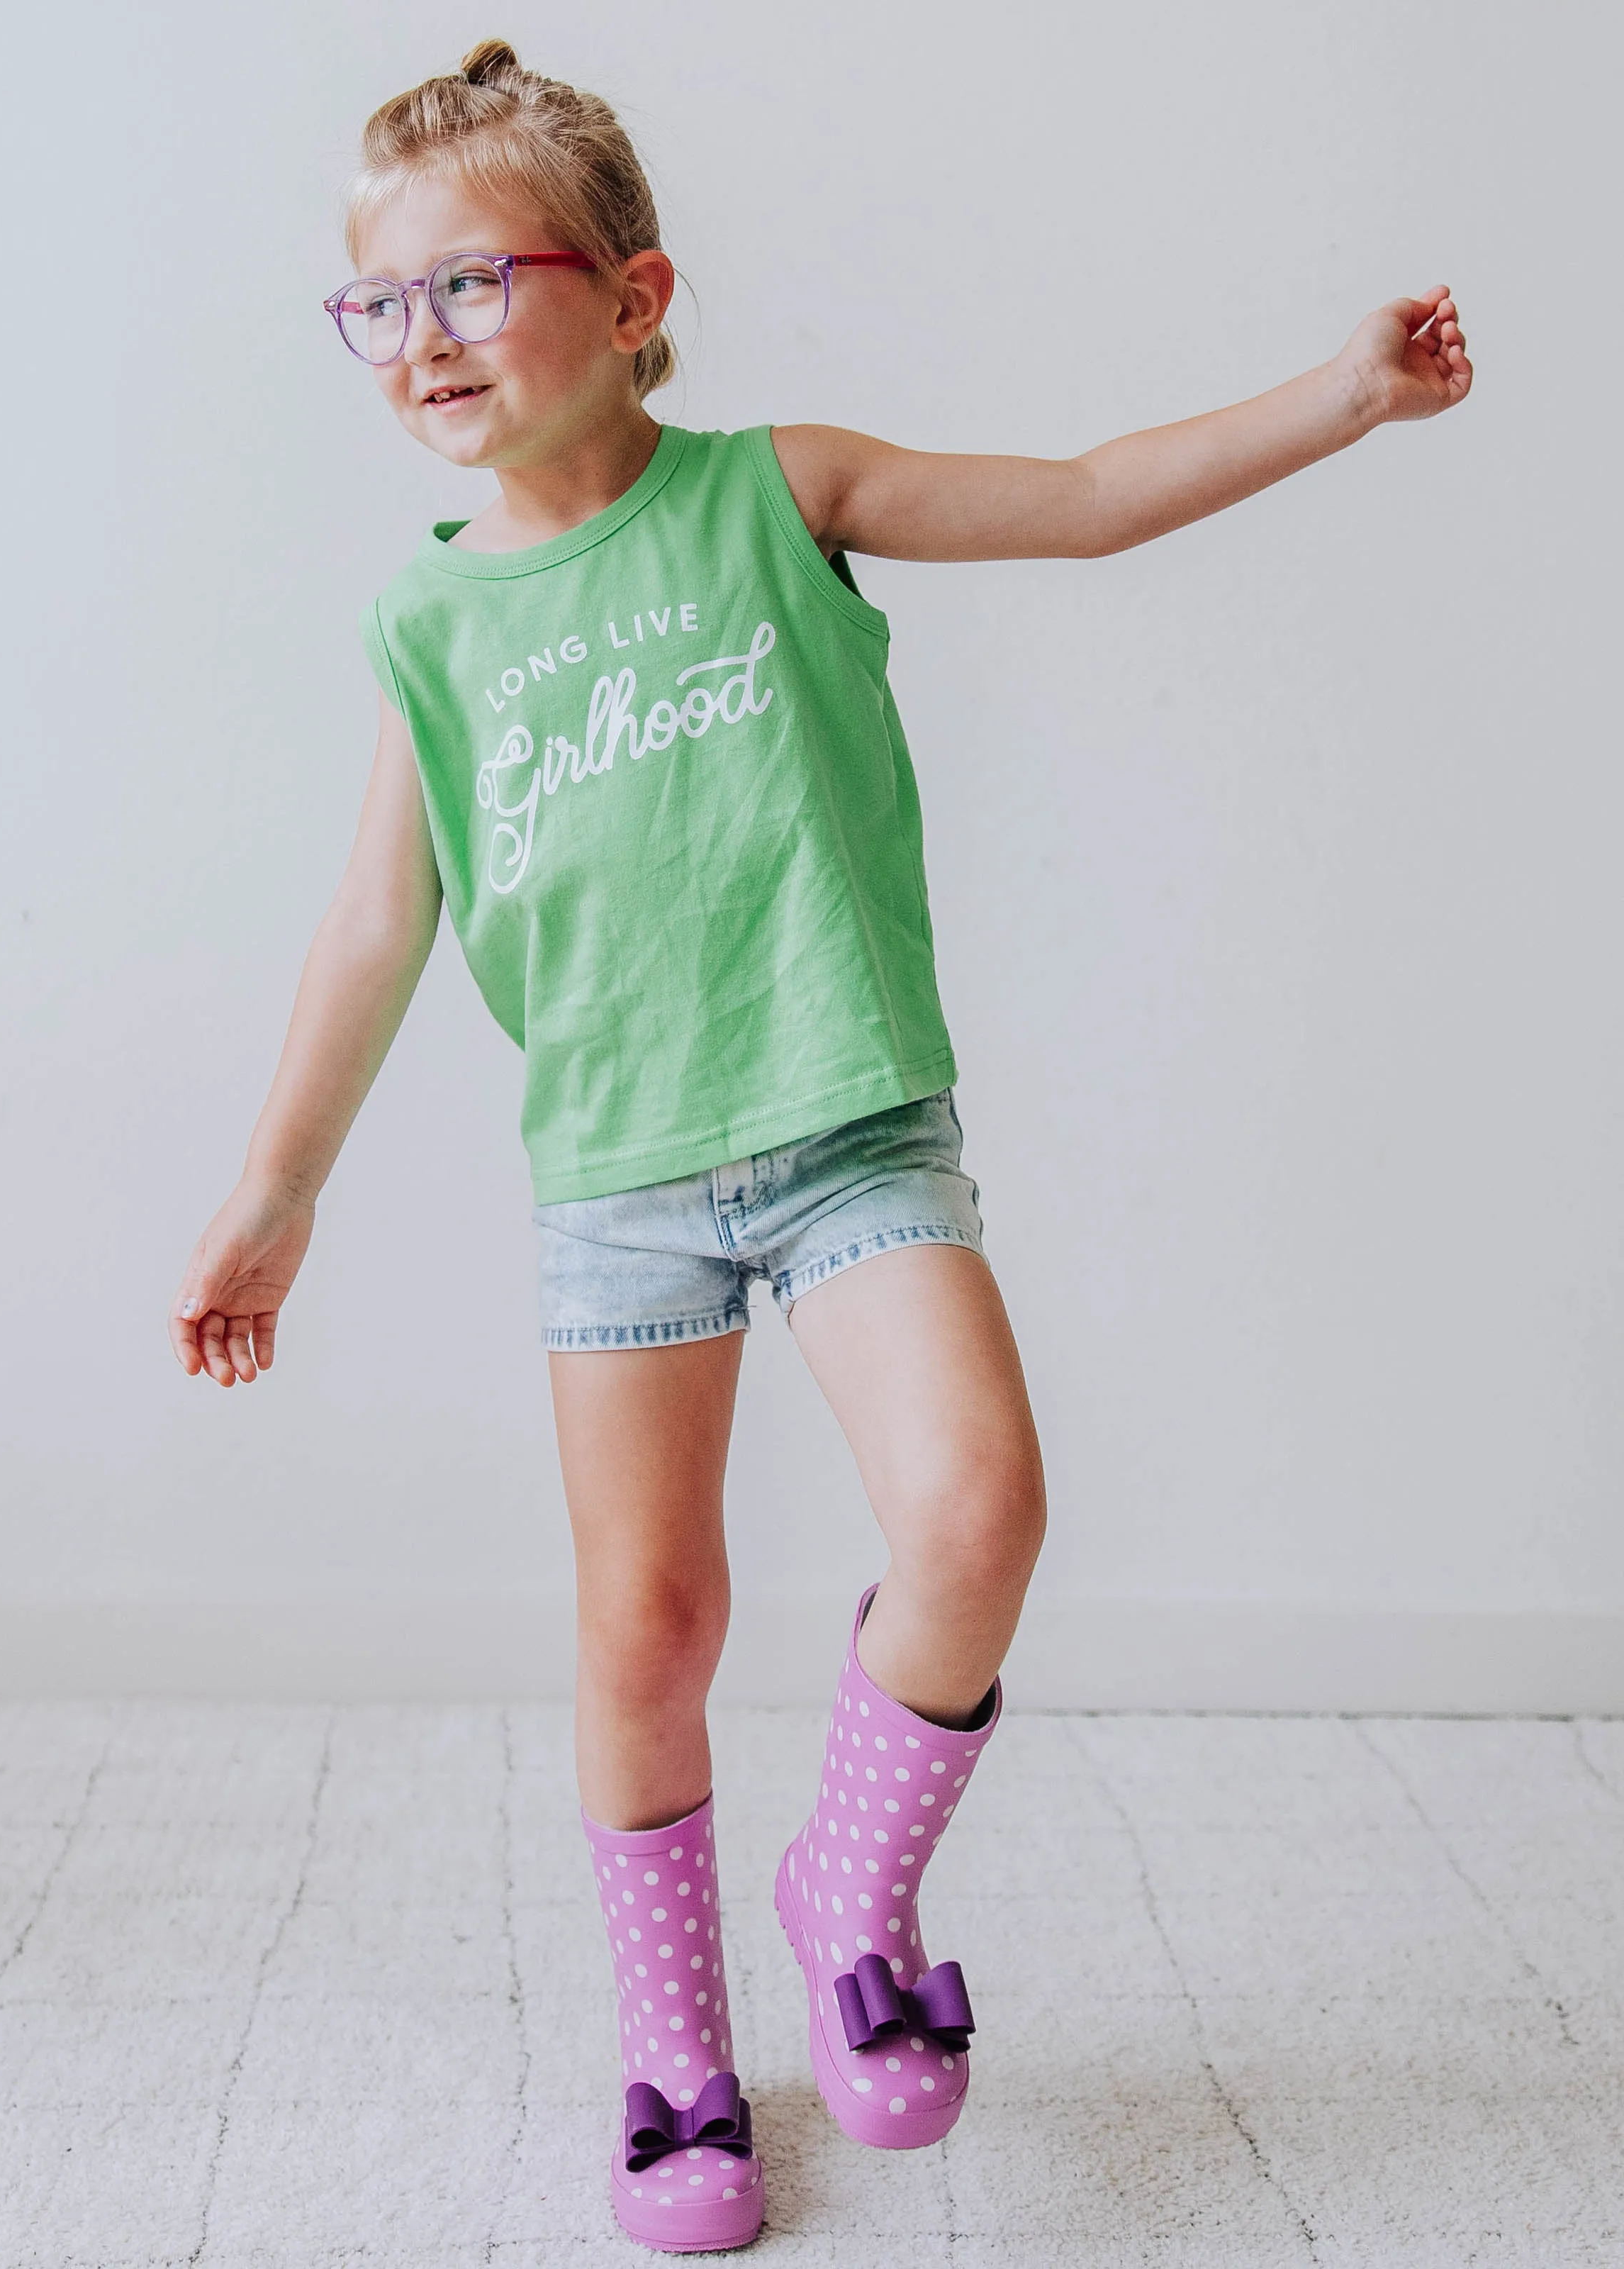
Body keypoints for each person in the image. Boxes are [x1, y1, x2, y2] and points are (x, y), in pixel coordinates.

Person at [167, 36, 1471, 2253]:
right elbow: (379, 919)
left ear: (638, 293)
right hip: (621, 1183)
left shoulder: (781, 491)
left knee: (980, 1504)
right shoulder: (429, 619)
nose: (424, 339)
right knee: (649, 1622)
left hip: (853, 1129)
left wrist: (1335, 398)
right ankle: (678, 2061)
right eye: (378, 302)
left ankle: (849, 1888)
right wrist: (278, 1191)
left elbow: (1078, 492)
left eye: (475, 282)